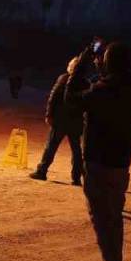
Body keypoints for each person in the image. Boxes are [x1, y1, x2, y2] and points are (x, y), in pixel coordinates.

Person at [65, 42, 131, 261]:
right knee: (114, 220)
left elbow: (71, 100)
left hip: (99, 164)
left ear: (108, 64)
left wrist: (79, 68)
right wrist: (100, 69)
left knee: (102, 221)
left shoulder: (103, 91)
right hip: (121, 165)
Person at [29, 56, 84, 185]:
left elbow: (53, 97)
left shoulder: (64, 79)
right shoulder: (84, 82)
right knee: (76, 150)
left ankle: (42, 171)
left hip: (61, 120)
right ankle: (76, 178)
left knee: (51, 147)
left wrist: (49, 114)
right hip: (75, 122)